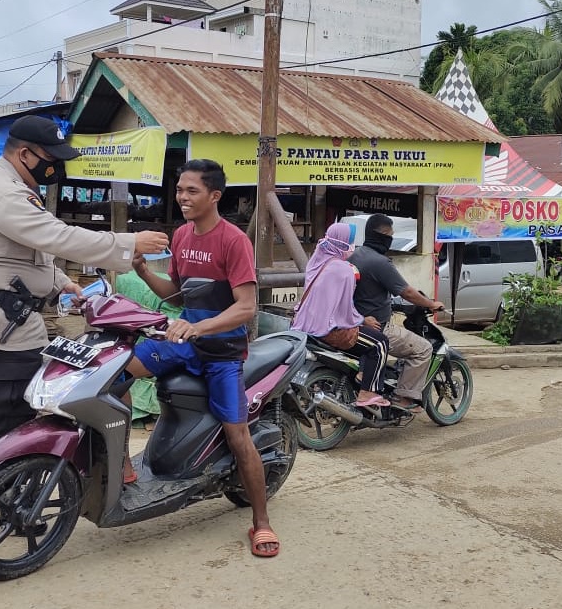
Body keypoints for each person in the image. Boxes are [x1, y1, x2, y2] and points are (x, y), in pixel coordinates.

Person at [0, 115, 170, 517]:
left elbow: (23, 253)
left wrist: (61, 281)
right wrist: (129, 241)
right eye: (51, 158)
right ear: (25, 154)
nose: (56, 167)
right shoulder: (6, 194)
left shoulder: (12, 186)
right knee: (10, 413)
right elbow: (58, 237)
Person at [126, 159, 279, 558]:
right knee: (119, 370)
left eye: (191, 191)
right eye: (179, 189)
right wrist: (143, 272)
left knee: (238, 435)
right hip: (185, 340)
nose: (182, 197)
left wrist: (200, 327)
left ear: (215, 195)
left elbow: (246, 307)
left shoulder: (233, 241)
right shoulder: (180, 235)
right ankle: (125, 466)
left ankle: (261, 522)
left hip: (222, 352)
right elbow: (179, 295)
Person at [347, 214, 444, 412]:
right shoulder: (381, 263)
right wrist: (431, 304)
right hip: (378, 326)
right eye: (390, 235)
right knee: (423, 349)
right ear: (382, 235)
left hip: (354, 321)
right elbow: (407, 292)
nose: (391, 239)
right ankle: (404, 397)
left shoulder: (355, 255)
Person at [292, 224, 390, 407]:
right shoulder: (343, 270)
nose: (352, 246)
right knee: (380, 343)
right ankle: (367, 392)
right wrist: (362, 320)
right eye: (350, 241)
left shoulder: (317, 260)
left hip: (305, 326)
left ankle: (359, 376)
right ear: (343, 242)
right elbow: (345, 310)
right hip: (329, 330)